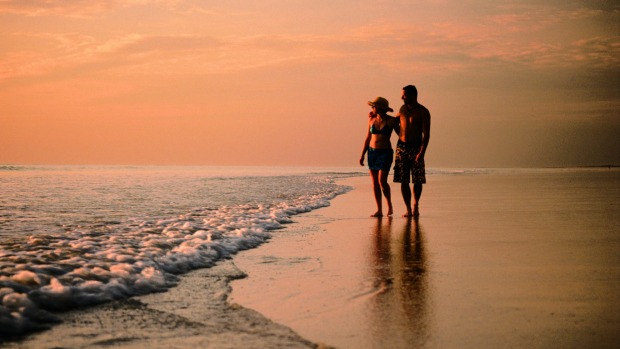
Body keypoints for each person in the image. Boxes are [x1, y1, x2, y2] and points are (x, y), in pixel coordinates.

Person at [393, 85, 431, 217]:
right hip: (402, 147)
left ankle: (416, 204)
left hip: (416, 147)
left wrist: (422, 152)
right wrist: (400, 134)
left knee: (417, 179)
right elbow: (393, 121)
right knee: (403, 179)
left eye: (404, 95)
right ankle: (408, 208)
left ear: (413, 95)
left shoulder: (423, 111)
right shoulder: (402, 109)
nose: (402, 97)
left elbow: (426, 134)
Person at [360, 97, 400, 217]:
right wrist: (362, 154)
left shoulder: (391, 121)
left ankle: (389, 205)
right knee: (374, 183)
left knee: (382, 181)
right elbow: (368, 138)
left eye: (374, 106)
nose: (372, 108)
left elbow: (401, 135)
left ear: (380, 108)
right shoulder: (371, 120)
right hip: (372, 152)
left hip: (385, 152)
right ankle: (379, 209)